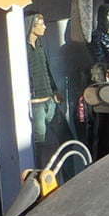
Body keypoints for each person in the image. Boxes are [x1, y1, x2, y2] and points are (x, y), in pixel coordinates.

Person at [25, 10, 70, 151]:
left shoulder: (39, 46)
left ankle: (69, 172)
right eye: (41, 24)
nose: (44, 27)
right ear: (32, 26)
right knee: (38, 144)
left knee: (66, 138)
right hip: (36, 104)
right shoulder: (23, 49)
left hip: (50, 101)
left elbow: (46, 70)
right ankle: (36, 172)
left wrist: (54, 90)